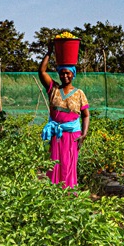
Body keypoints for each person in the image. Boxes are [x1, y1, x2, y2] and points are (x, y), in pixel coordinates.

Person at [38, 51, 90, 188]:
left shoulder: (79, 93)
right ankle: (53, 191)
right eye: (62, 73)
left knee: (68, 164)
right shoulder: (54, 89)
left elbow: (86, 115)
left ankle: (68, 191)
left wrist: (84, 134)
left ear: (73, 74)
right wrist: (49, 52)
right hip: (56, 133)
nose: (65, 76)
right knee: (54, 163)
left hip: (72, 135)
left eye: (68, 73)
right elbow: (42, 72)